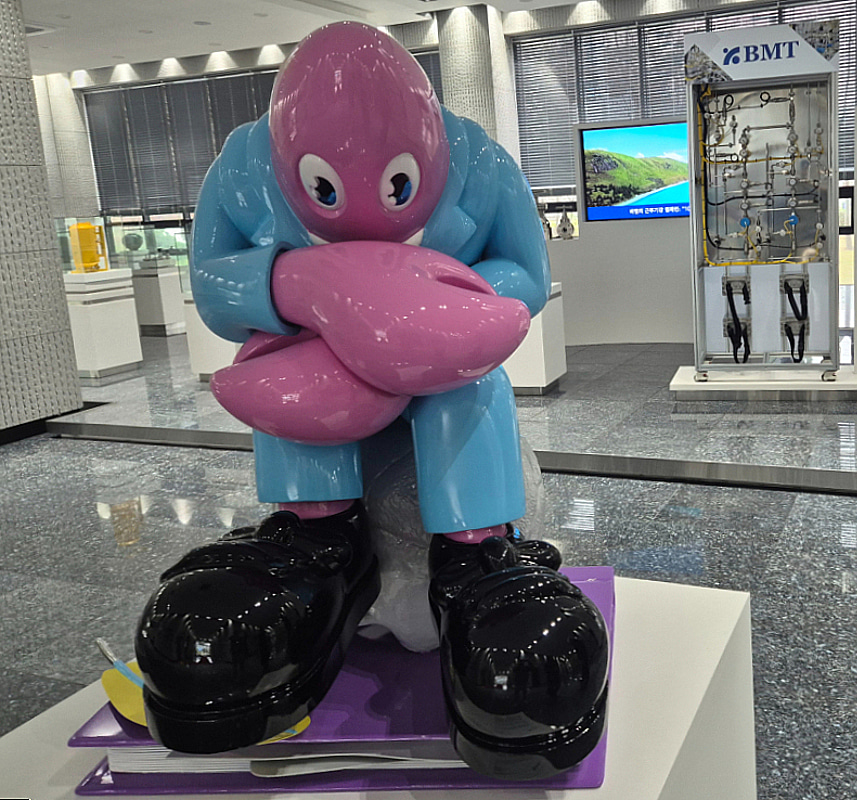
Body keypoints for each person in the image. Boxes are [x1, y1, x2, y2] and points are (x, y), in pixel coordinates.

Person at [135, 21, 608, 780]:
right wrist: (302, 287)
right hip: (308, 363)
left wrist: (435, 312)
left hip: (446, 372)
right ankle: (318, 540)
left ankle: (477, 551)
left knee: (467, 386)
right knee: (286, 367)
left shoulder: (482, 164)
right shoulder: (245, 168)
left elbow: (525, 269)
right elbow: (214, 287)